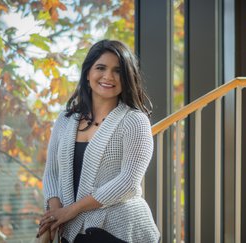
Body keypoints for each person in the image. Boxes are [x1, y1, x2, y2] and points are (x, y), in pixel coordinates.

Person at [37, 39, 160, 243]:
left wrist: (71, 211)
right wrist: (55, 214)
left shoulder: (134, 121)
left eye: (118, 71)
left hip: (120, 230)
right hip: (72, 232)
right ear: (87, 74)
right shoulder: (65, 120)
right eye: (100, 68)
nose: (108, 76)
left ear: (127, 77)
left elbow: (128, 183)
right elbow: (52, 172)